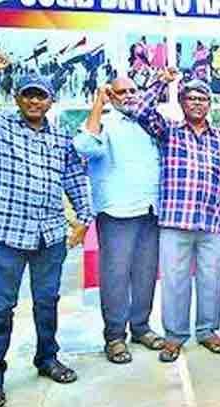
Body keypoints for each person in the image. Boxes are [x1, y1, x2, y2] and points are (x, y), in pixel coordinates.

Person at [0, 51, 92, 407]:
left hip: (50, 236)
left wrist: (84, 218)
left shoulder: (61, 138)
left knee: (47, 302)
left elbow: (74, 178)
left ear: (50, 101)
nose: (34, 101)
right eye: (28, 94)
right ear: (17, 98)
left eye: (41, 95)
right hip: (9, 235)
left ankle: (47, 358)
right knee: (1, 308)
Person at [127, 69, 220, 362]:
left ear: (210, 104)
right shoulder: (168, 131)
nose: (198, 103)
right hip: (176, 221)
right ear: (181, 102)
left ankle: (207, 331)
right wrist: (162, 81)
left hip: (211, 221)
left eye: (203, 98)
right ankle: (174, 337)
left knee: (211, 280)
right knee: (175, 282)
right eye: (191, 98)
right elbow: (139, 109)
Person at [73, 77, 165, 365]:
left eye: (133, 90)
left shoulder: (146, 121)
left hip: (150, 209)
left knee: (146, 273)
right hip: (117, 211)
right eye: (121, 92)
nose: (128, 95)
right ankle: (114, 336)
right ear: (110, 95)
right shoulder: (104, 122)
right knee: (115, 276)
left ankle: (141, 327)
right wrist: (98, 105)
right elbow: (84, 147)